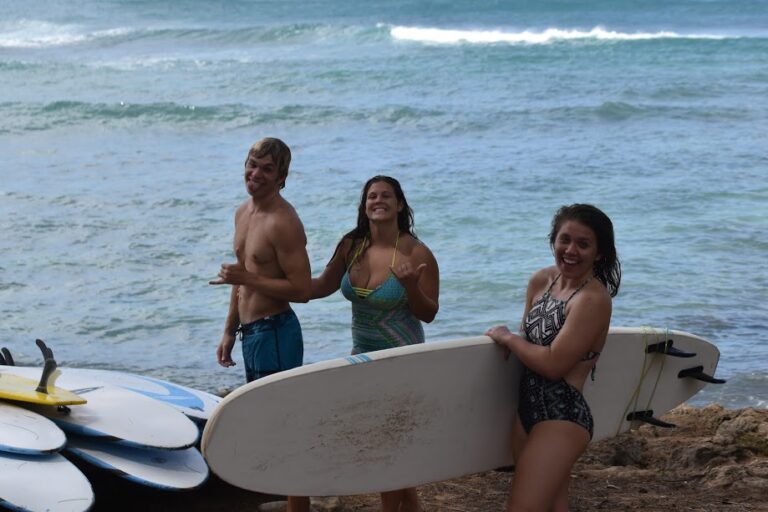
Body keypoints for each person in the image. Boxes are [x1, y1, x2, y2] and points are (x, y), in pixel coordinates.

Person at [311, 175, 439, 512]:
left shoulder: (416, 251)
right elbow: (318, 286)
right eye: (371, 196)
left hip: (402, 357)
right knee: (385, 442)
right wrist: (259, 283)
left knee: (387, 444)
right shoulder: (351, 246)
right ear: (364, 205)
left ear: (399, 204)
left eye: (386, 196)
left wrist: (411, 286)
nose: (377, 200)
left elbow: (429, 313)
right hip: (362, 355)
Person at [485, 203, 621, 512]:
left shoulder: (592, 300)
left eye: (583, 244)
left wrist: (506, 338)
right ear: (553, 240)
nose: (571, 250)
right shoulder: (541, 281)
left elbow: (552, 364)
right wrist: (514, 342)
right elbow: (529, 342)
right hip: (527, 412)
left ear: (599, 253)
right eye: (565, 240)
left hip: (562, 416)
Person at [209, 137, 311, 512]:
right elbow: (241, 277)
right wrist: (228, 330)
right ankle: (289, 499)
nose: (256, 174)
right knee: (268, 426)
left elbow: (301, 289)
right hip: (252, 333)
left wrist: (248, 280)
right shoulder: (242, 212)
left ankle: (299, 505)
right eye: (253, 164)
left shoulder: (284, 222)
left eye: (267, 169)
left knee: (284, 427)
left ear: (282, 177)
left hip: (276, 332)